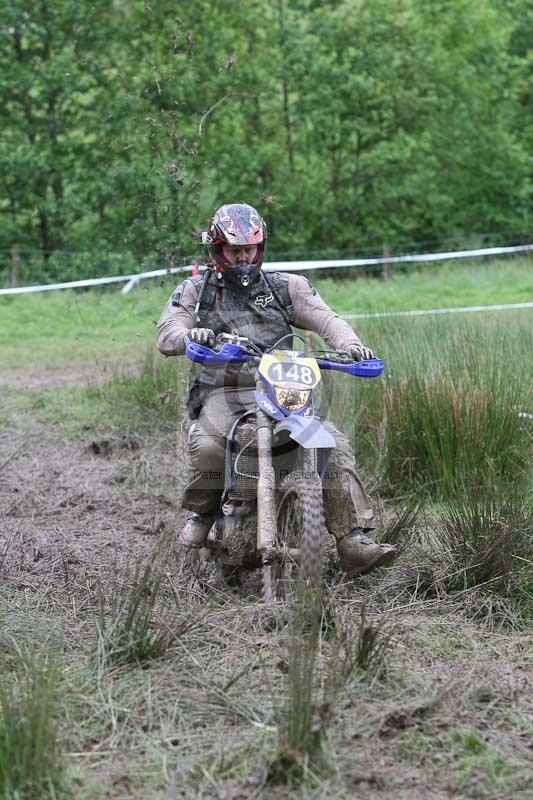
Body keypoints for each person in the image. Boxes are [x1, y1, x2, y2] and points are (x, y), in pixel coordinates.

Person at [156, 203, 396, 574]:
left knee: (330, 441)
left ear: (260, 246)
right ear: (218, 249)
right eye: (235, 251)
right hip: (223, 390)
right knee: (208, 443)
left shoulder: (287, 287)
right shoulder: (195, 290)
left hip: (283, 388)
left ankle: (351, 539)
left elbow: (327, 319)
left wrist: (351, 346)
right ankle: (202, 512)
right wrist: (190, 335)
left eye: (249, 249)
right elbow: (168, 331)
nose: (243, 258)